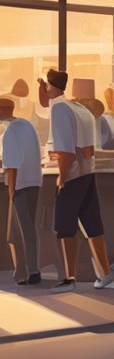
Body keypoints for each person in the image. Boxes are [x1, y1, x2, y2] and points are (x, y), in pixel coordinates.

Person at [43, 69, 114, 291]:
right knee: (93, 225)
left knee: (65, 227)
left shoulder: (60, 109)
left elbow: (66, 152)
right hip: (87, 173)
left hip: (72, 175)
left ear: (49, 86)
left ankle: (69, 278)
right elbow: (87, 147)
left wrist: (61, 179)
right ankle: (105, 274)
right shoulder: (80, 108)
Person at [0, 97, 42, 286]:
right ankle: (24, 270)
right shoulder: (27, 125)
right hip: (34, 181)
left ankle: (30, 271)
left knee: (21, 231)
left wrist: (11, 191)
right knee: (25, 229)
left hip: (19, 185)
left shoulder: (10, 132)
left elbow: (12, 165)